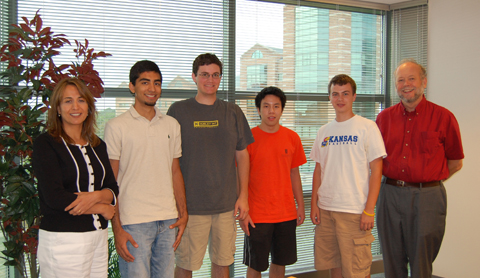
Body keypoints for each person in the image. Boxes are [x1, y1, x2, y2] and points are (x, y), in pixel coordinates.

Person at [167, 53, 254, 278]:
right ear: (194, 76)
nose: (210, 80)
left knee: (222, 264)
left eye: (215, 75)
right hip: (190, 207)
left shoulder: (232, 112)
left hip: (225, 206)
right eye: (204, 74)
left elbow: (243, 156)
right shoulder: (178, 111)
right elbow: (169, 160)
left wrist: (243, 196)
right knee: (185, 265)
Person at [375, 59, 464, 278]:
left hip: (428, 198)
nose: (406, 84)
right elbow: (375, 160)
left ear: (424, 82)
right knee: (392, 257)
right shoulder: (383, 119)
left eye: (411, 78)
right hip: (390, 195)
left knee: (422, 260)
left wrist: (427, 180)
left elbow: (455, 162)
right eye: (400, 80)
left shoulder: (444, 117)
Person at [104, 60, 188, 278]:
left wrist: (183, 213)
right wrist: (117, 227)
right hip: (133, 222)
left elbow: (175, 171)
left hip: (168, 221)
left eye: (157, 83)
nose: (152, 88)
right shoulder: (116, 126)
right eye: (145, 82)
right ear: (132, 87)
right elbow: (111, 181)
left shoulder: (172, 124)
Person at [33, 78, 118, 278]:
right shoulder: (46, 143)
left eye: (81, 100)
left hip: (98, 237)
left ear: (88, 106)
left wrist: (94, 196)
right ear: (58, 108)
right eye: (67, 101)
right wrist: (101, 207)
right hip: (63, 239)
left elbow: (112, 189)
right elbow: (54, 197)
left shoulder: (98, 145)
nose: (75, 106)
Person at [310, 74, 386, 278]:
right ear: (329, 97)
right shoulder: (323, 131)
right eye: (335, 94)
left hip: (354, 210)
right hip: (326, 210)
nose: (340, 99)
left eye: (345, 94)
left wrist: (369, 210)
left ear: (354, 96)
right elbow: (319, 170)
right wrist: (314, 204)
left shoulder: (367, 127)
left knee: (357, 270)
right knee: (334, 266)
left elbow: (376, 170)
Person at [240, 86, 307, 278]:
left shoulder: (292, 137)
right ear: (258, 110)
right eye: (266, 106)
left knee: (280, 263)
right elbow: (240, 178)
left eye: (276, 106)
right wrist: (243, 212)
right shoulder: (248, 139)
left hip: (285, 213)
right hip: (257, 214)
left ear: (282, 109)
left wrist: (300, 206)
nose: (271, 111)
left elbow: (294, 174)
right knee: (255, 265)